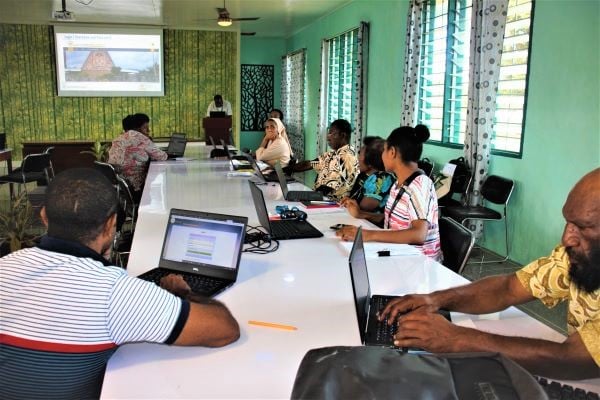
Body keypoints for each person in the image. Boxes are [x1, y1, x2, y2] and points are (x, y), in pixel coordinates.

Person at [0, 168, 240, 399]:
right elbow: (224, 329)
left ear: (43, 216)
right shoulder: (115, 293)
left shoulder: (4, 266)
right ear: (110, 224)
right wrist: (183, 294)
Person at [378, 168, 600, 380]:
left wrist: (457, 339)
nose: (566, 238)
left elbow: (572, 359)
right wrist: (434, 299)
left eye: (583, 227)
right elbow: (508, 288)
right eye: (568, 223)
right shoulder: (573, 255)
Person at [336, 125, 441, 261]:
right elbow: (391, 220)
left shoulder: (419, 185)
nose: (382, 155)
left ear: (392, 152)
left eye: (384, 150)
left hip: (419, 262)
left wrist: (369, 235)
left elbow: (419, 234)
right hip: (398, 252)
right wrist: (361, 214)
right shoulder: (399, 183)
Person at [108, 114, 168, 202]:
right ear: (138, 128)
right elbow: (162, 156)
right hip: (135, 187)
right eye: (144, 127)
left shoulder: (118, 139)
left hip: (120, 185)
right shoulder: (138, 136)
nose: (148, 130)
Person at [295, 119, 359, 201]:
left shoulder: (347, 157)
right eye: (329, 133)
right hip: (321, 198)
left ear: (343, 135)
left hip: (333, 203)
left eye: (332, 133)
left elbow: (328, 187)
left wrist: (307, 198)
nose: (328, 137)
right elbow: (309, 164)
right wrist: (284, 170)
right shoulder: (333, 154)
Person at [340, 136, 394, 224]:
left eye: (360, 155)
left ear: (369, 162)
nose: (357, 159)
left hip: (371, 225)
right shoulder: (366, 176)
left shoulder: (380, 178)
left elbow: (364, 207)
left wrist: (350, 203)